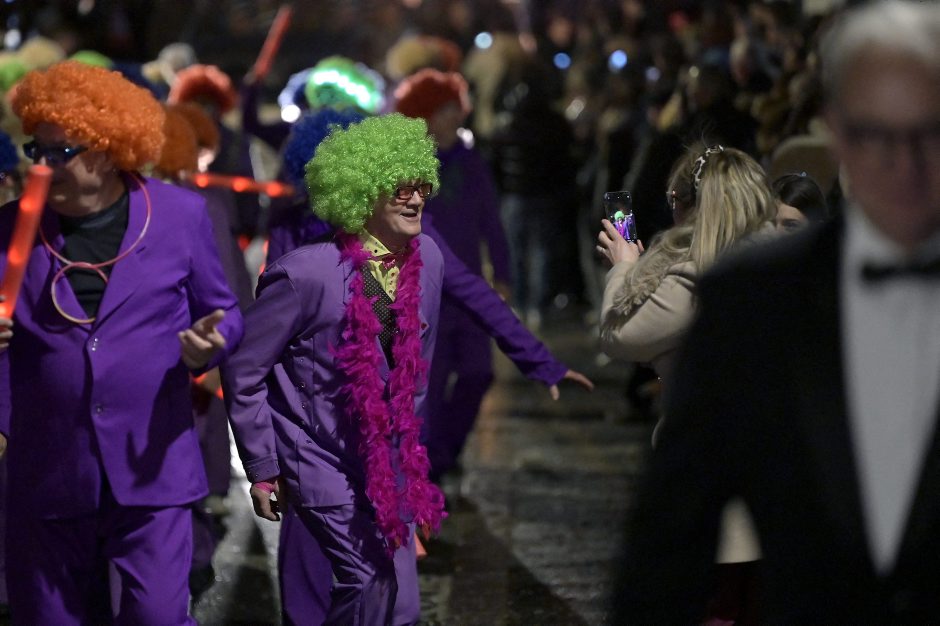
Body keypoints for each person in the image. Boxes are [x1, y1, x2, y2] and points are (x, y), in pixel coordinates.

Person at [614, 1, 940, 622]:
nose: (905, 164)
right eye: (877, 135)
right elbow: (668, 543)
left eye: (930, 132)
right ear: (836, 132)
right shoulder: (754, 298)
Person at [267, 106, 593, 626]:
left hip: (384, 435)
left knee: (391, 592)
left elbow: (473, 292)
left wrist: (539, 361)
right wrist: (274, 445)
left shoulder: (414, 238)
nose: (410, 197)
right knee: (310, 583)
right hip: (318, 431)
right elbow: (271, 338)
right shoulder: (294, 232)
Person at [0, 60, 244, 625]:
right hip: (49, 469)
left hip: (151, 464)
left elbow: (226, 311)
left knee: (156, 616)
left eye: (61, 152)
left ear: (108, 151)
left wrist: (211, 344)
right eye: (37, 151)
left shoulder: (180, 215)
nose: (43, 166)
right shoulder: (9, 227)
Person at [222, 113, 445, 625]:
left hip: (387, 459)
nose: (415, 200)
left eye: (422, 187)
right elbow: (244, 368)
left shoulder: (429, 259)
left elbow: (415, 372)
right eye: (400, 189)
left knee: (398, 603)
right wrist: (263, 467)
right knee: (367, 578)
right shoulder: (305, 274)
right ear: (362, 194)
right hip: (319, 457)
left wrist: (411, 465)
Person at [598, 144, 775, 625]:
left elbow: (619, 334)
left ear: (693, 206)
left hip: (715, 483)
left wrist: (624, 267)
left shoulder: (697, 276)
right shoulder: (785, 265)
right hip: (784, 483)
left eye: (675, 200)